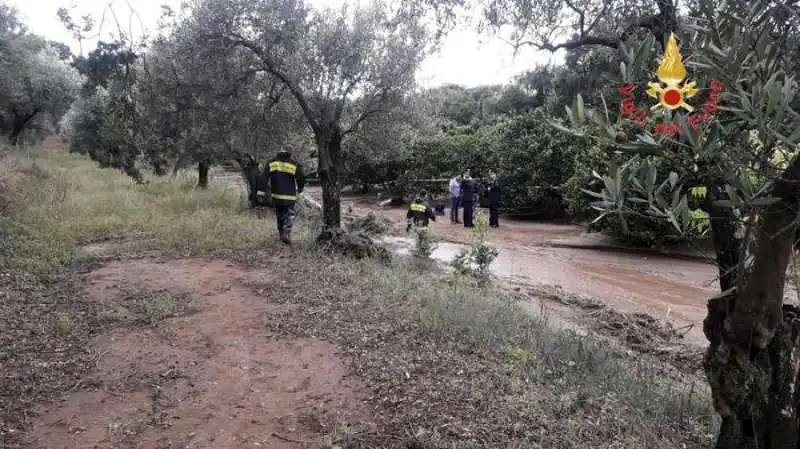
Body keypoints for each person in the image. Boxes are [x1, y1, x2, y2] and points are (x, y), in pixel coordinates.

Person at [265, 148, 305, 244]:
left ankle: (281, 233)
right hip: (289, 196)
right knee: (290, 214)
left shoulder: (271, 163)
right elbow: (301, 177)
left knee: (280, 214)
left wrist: (261, 192)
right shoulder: (293, 164)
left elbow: (264, 177)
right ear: (289, 154)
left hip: (277, 195)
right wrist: (300, 188)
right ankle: (287, 233)